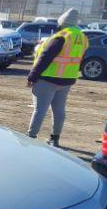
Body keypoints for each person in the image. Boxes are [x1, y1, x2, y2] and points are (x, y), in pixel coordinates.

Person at [26, 8, 89, 147]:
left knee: (39, 110)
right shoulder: (82, 37)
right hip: (67, 79)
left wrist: (32, 76)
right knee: (59, 110)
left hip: (48, 78)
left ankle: (30, 137)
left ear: (62, 22)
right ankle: (55, 139)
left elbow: (45, 58)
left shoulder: (62, 36)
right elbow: (79, 58)